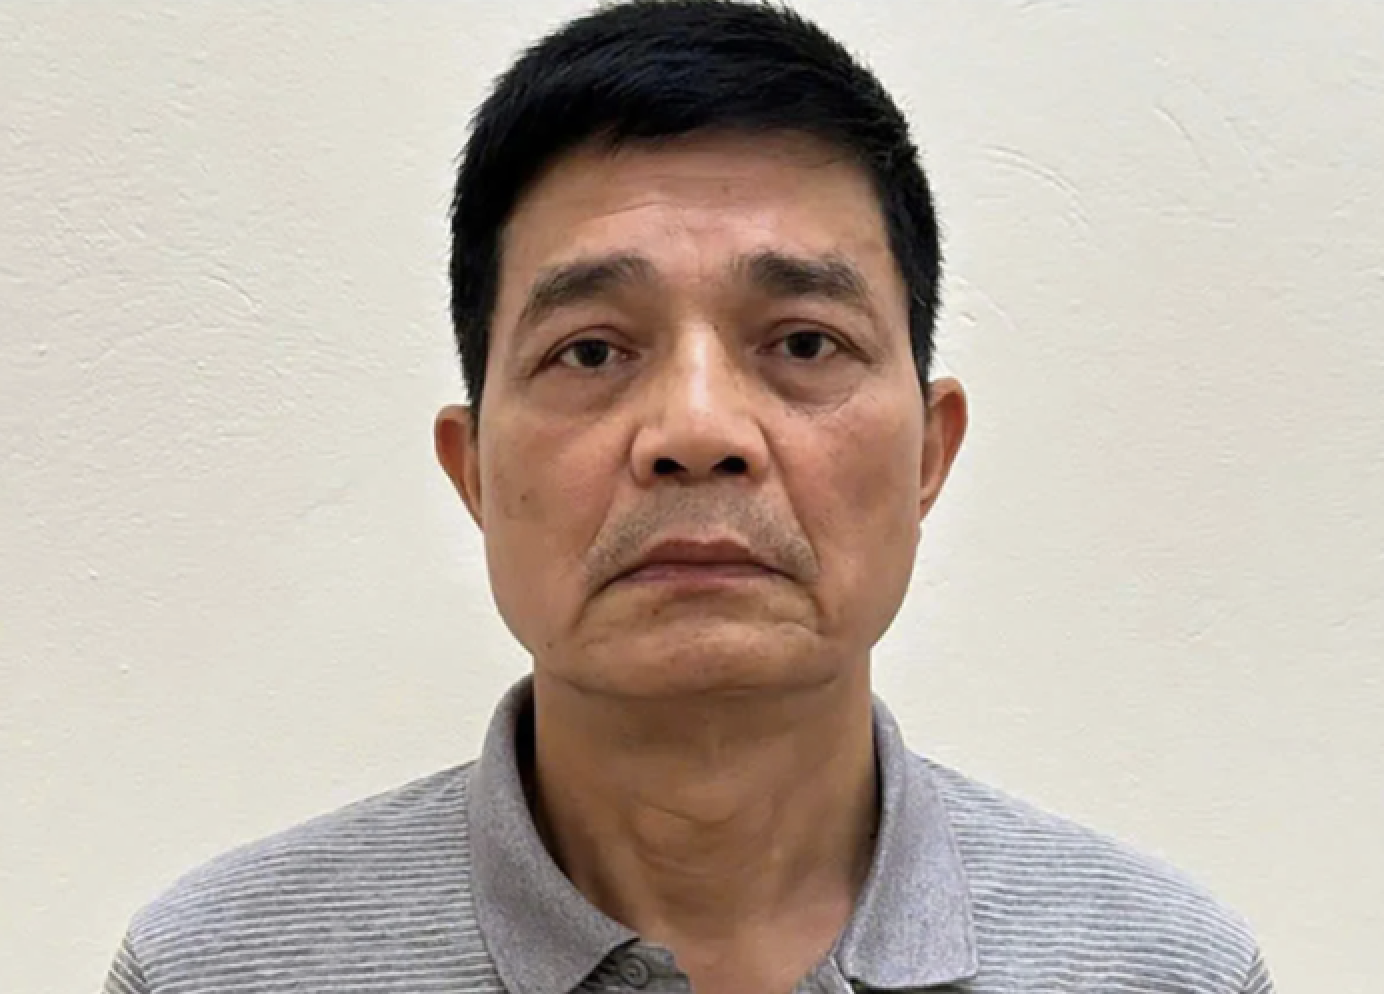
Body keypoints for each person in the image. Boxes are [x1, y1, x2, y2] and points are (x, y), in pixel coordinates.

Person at [104, 2, 1275, 992]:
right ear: (472, 472)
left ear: (930, 452)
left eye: (804, 342)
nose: (698, 430)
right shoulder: (210, 969)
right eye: (592, 351)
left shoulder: (1166, 968)